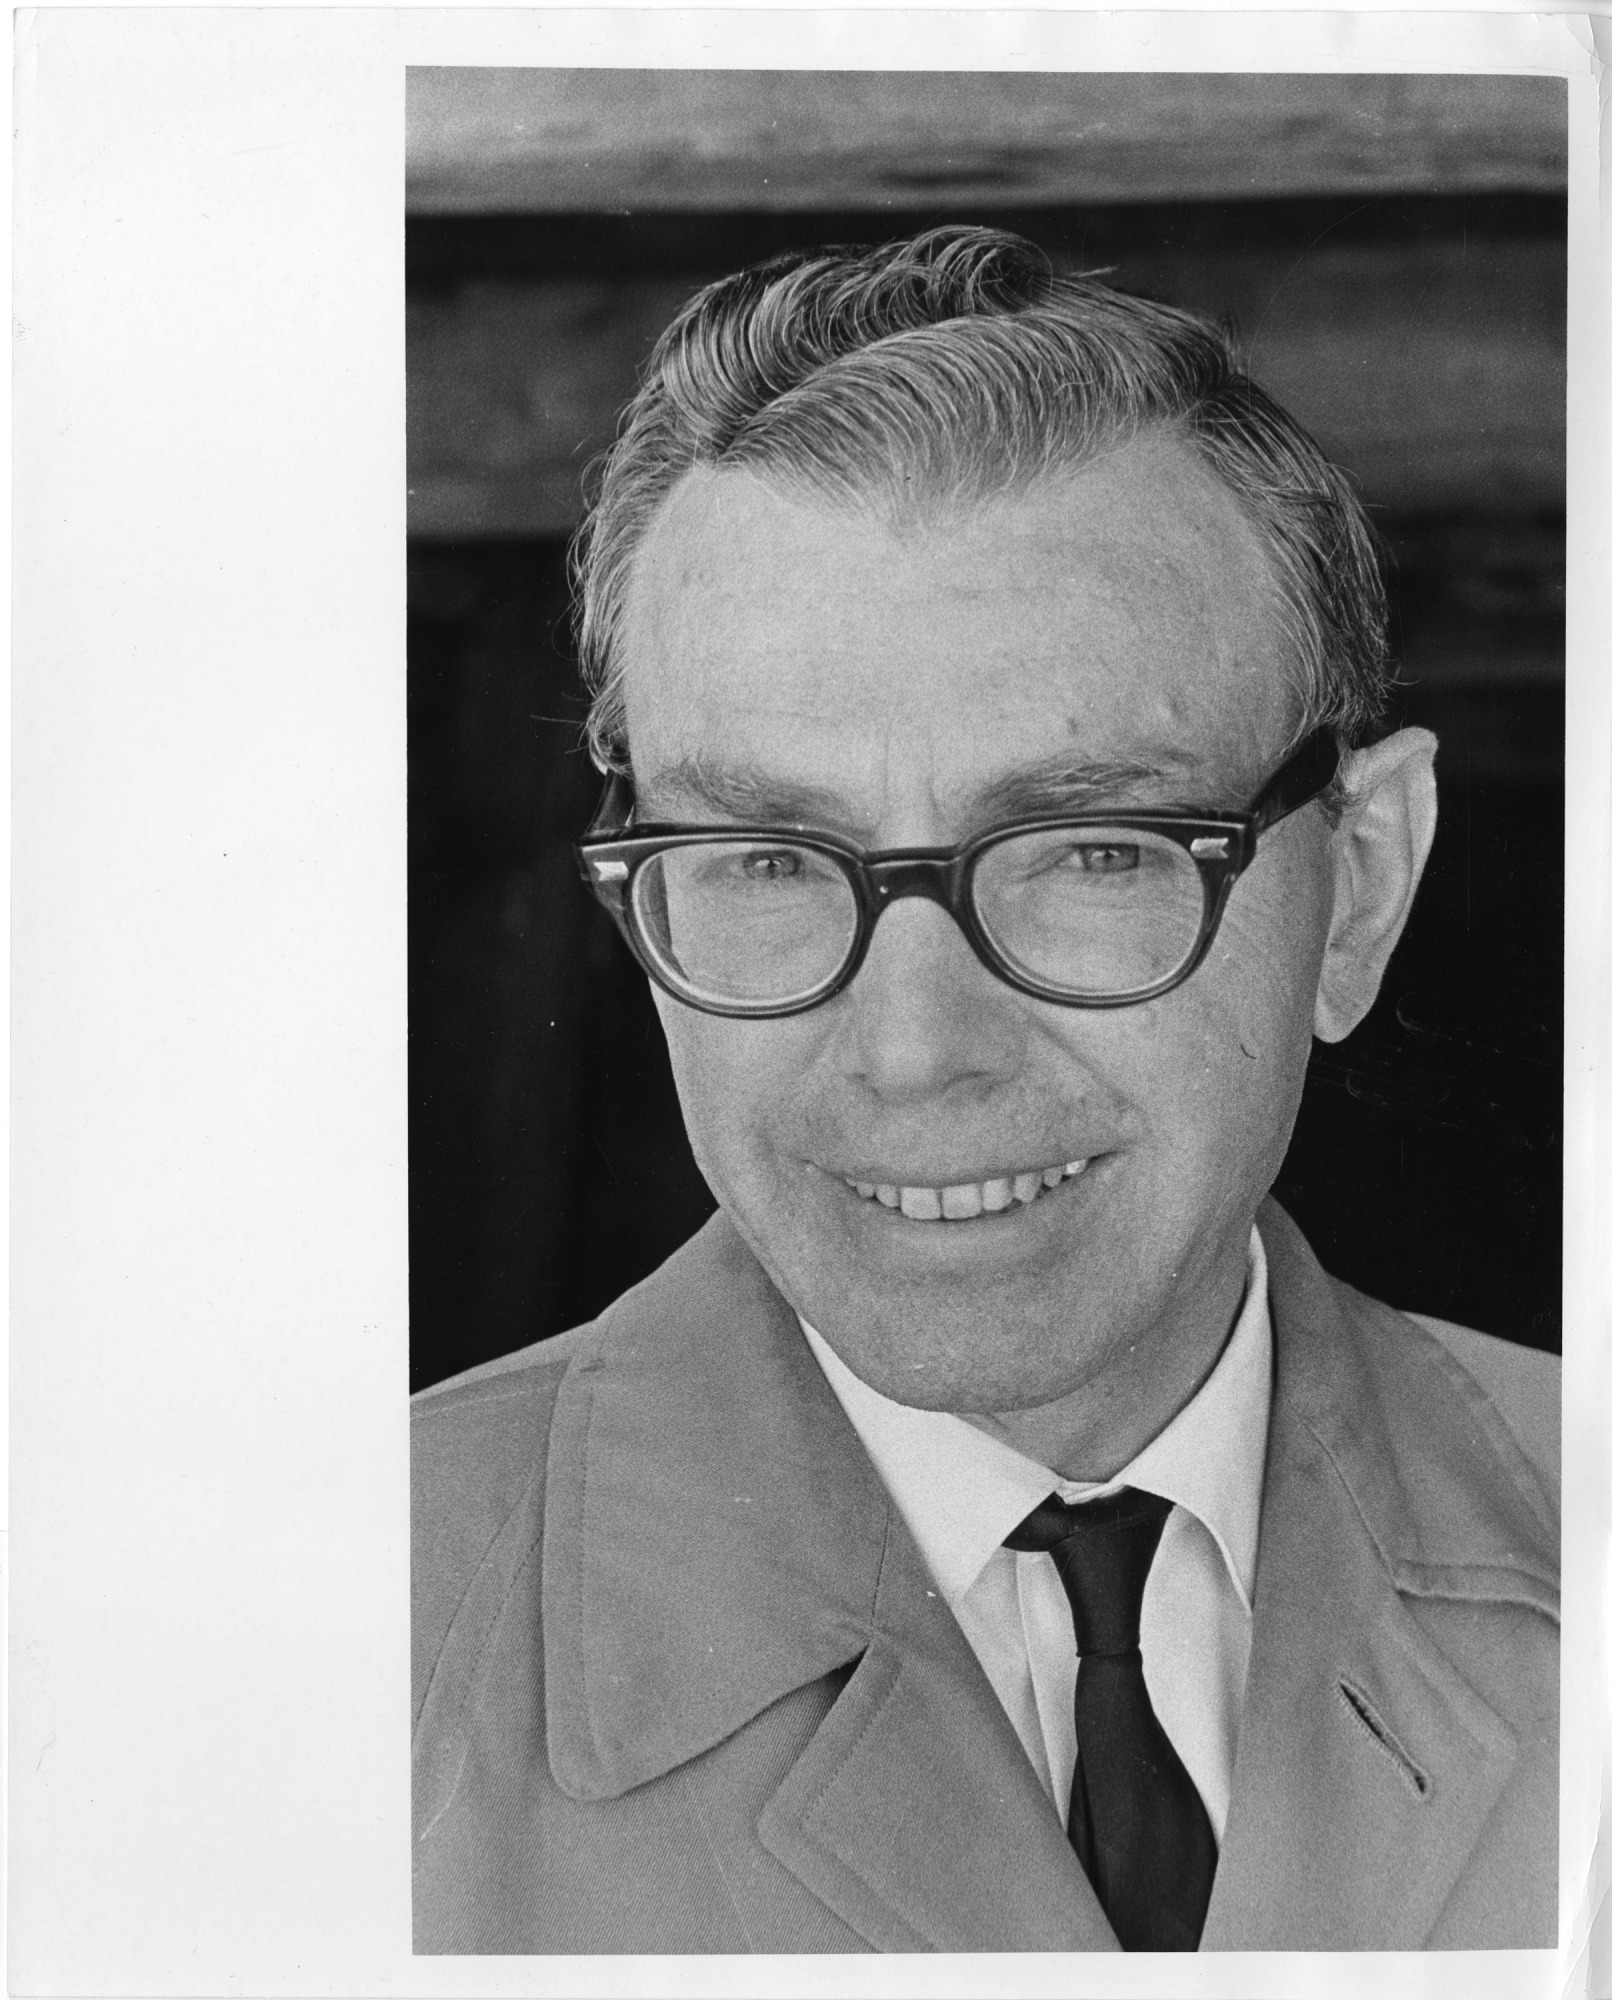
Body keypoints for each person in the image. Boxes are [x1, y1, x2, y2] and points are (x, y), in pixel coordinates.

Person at [411, 227, 1558, 1954]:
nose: (912, 1046)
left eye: (1092, 848)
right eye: (765, 858)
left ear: (1362, 887)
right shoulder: (309, 1652)